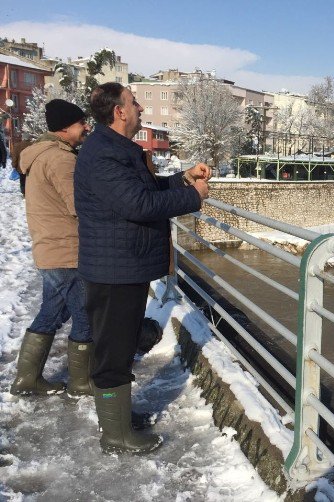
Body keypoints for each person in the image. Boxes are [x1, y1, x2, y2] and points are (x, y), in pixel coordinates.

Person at [74, 82, 209, 454]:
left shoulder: (114, 149)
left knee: (117, 347)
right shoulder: (104, 154)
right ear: (119, 111)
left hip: (121, 265)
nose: (140, 111)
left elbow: (146, 190)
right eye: (135, 104)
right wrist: (193, 197)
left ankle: (117, 419)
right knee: (114, 352)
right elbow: (138, 205)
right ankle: (115, 436)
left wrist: (181, 180)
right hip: (115, 268)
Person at [10, 99, 95, 397]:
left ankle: (27, 379)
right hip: (66, 250)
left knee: (50, 311)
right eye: (80, 123)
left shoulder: (39, 155)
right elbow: (80, 206)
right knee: (86, 314)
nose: (85, 127)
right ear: (65, 127)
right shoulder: (60, 159)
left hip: (50, 247)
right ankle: (82, 381)